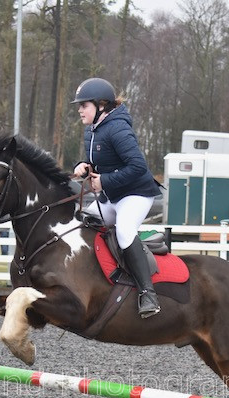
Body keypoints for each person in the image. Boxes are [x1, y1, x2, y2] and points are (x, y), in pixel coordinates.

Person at [71, 77, 162, 318]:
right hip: (112, 196)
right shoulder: (92, 130)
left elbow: (138, 167)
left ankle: (147, 293)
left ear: (102, 105)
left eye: (84, 105)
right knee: (84, 223)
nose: (79, 109)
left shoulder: (118, 128)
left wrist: (105, 181)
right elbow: (96, 160)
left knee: (124, 231)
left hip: (136, 195)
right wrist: (82, 165)